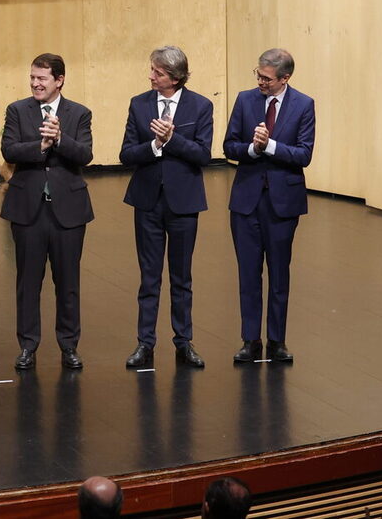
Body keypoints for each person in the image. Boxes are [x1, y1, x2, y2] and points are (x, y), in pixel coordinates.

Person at [120, 46, 213, 369]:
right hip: (147, 201)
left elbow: (203, 154)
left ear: (175, 77)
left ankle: (183, 342)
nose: (151, 76)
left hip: (184, 203)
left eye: (157, 72)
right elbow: (127, 154)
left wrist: (172, 139)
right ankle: (145, 343)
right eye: (152, 70)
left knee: (181, 276)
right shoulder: (139, 104)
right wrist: (154, 145)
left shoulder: (201, 106)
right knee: (149, 277)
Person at [1, 53, 94, 371]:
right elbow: (9, 149)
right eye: (32, 78)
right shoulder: (17, 110)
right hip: (28, 210)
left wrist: (59, 139)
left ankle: (69, 346)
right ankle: (28, 346)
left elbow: (85, 154)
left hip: (68, 212)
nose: (35, 83)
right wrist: (41, 146)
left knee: (68, 282)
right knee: (28, 281)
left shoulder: (79, 113)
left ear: (59, 80)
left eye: (41, 78)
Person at [224, 49, 314, 363]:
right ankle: (251, 339)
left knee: (279, 273)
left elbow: (304, 155)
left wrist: (270, 146)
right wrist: (252, 148)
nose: (260, 81)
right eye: (258, 75)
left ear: (285, 78)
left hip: (283, 203)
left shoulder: (304, 105)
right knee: (248, 274)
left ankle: (277, 340)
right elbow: (229, 145)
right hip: (246, 201)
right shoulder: (244, 100)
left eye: (267, 78)